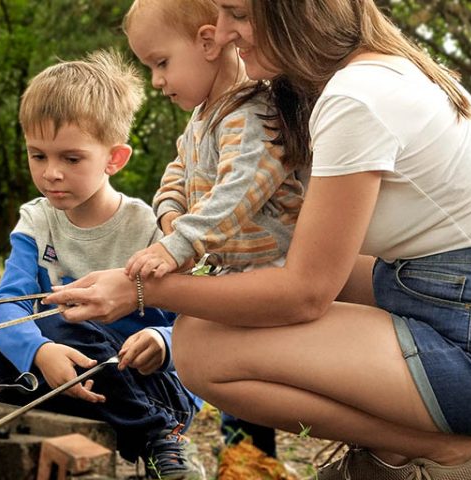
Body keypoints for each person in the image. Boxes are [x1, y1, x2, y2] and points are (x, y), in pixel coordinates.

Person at [45, 1, 471, 479]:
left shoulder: (356, 97)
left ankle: (437, 454)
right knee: (232, 308)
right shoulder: (362, 79)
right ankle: (403, 456)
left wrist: (144, 291)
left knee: (200, 346)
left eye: (239, 15)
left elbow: (305, 292)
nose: (225, 33)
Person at [0, 50, 204, 480]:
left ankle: (160, 435)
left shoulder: (150, 227)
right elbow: (6, 306)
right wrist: (39, 350)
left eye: (71, 159)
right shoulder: (37, 221)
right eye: (38, 156)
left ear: (114, 159)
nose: (51, 173)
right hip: (75, 370)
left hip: (152, 384)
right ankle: (70, 430)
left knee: (60, 321)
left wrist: (163, 341)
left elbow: (194, 318)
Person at [122, 0, 311, 468]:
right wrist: (170, 219)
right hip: (237, 272)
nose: (156, 81)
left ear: (208, 42)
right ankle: (247, 463)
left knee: (238, 371)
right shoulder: (202, 118)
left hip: (279, 275)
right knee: (230, 378)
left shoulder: (251, 113)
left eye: (161, 63)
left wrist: (181, 243)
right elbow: (176, 174)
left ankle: (249, 463)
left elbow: (240, 191)